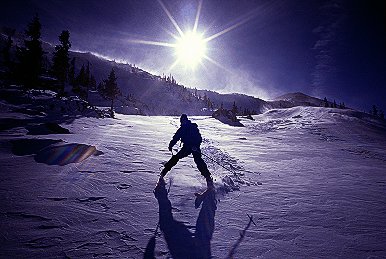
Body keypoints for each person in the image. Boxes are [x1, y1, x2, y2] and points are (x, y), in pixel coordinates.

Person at [159, 114, 213, 188]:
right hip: (186, 147)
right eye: (182, 121)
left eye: (184, 120)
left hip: (194, 147)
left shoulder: (193, 127)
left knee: (198, 161)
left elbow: (199, 138)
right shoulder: (182, 129)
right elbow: (176, 138)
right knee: (176, 157)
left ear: (186, 120)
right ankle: (164, 172)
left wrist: (195, 145)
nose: (183, 122)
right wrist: (171, 145)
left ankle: (208, 178)